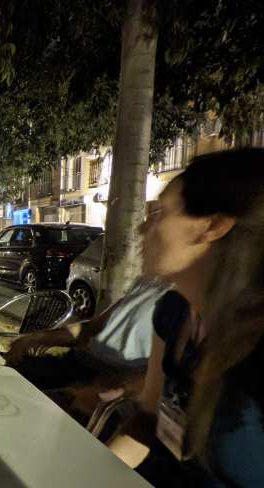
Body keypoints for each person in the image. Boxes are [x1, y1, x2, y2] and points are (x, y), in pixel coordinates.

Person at [107, 149, 264, 487]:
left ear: (213, 226)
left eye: (160, 212)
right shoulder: (173, 313)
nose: (141, 227)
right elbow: (148, 420)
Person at [5, 277, 169, 423]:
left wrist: (107, 391)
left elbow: (165, 375)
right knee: (7, 375)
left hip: (110, 379)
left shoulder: (186, 300)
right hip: (78, 363)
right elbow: (91, 328)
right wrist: (36, 338)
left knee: (22, 410)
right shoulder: (150, 281)